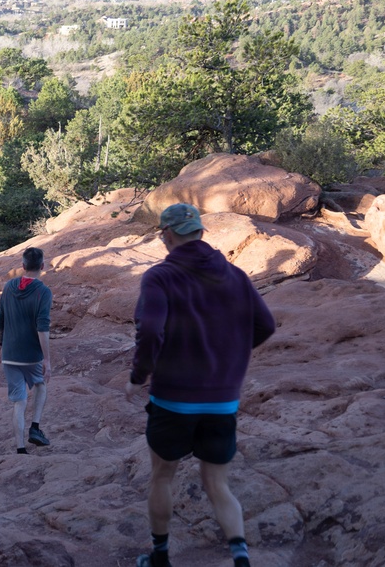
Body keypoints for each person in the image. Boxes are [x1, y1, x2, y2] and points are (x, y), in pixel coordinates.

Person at [125, 203, 276, 567]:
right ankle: (240, 557)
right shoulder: (236, 276)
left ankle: (160, 557)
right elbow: (265, 325)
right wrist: (230, 360)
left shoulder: (160, 277)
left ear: (168, 234)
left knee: (163, 476)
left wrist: (139, 374)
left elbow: (150, 330)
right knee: (217, 483)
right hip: (222, 401)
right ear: (200, 232)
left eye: (163, 234)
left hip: (173, 399)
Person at [0, 247, 53, 454]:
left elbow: (0, 319)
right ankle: (35, 427)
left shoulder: (9, 286)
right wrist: (47, 359)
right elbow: (42, 327)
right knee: (41, 384)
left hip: (9, 355)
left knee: (19, 401)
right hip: (31, 356)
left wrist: (0, 343)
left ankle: (20, 449)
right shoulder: (43, 292)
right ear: (42, 266)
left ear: (23, 266)